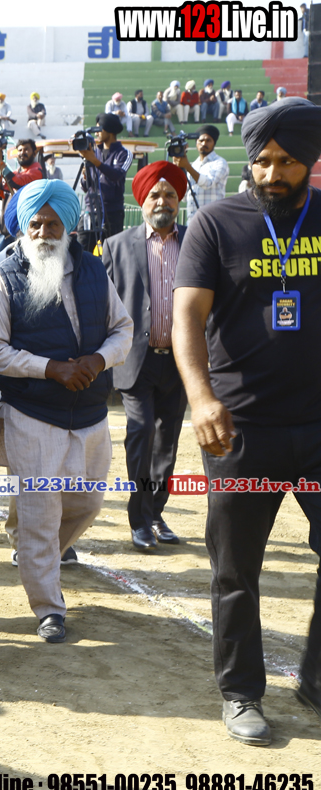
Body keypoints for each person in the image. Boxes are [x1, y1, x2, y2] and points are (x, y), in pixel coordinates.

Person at [172, 98, 321, 746]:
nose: (270, 174)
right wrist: (201, 398)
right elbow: (186, 316)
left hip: (319, 426)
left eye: (285, 162)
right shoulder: (216, 224)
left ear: (309, 161)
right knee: (236, 569)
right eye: (261, 161)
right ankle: (241, 694)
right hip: (239, 430)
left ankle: (316, 678)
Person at [0, 179, 133, 643]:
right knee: (42, 512)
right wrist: (51, 369)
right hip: (33, 412)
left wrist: (97, 361)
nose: (44, 233)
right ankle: (49, 607)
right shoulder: (1, 278)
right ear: (23, 228)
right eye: (35, 224)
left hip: (90, 412)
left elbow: (123, 329)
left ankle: (32, 546)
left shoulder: (93, 269)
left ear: (68, 226)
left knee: (87, 502)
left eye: (52, 224)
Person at [101, 162, 188, 553]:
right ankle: (139, 519)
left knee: (168, 442)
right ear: (142, 201)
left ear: (178, 200)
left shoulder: (195, 241)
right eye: (155, 194)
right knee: (140, 435)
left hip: (181, 361)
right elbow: (103, 304)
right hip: (136, 360)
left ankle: (156, 513)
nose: (162, 201)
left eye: (169, 194)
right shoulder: (117, 245)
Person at [78, 112, 133, 251]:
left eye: (99, 129)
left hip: (112, 214)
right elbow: (85, 187)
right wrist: (85, 176)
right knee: (81, 253)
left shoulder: (124, 153)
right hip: (90, 212)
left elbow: (116, 175)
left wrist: (95, 161)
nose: (96, 133)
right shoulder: (93, 152)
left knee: (113, 254)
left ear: (110, 131)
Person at [173, 124, 229, 222]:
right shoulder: (194, 165)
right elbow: (184, 197)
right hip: (192, 221)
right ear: (196, 143)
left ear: (214, 143)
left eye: (208, 140)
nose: (204, 143)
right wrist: (179, 169)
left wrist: (187, 167)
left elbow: (208, 183)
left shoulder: (220, 163)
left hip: (212, 220)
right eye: (201, 140)